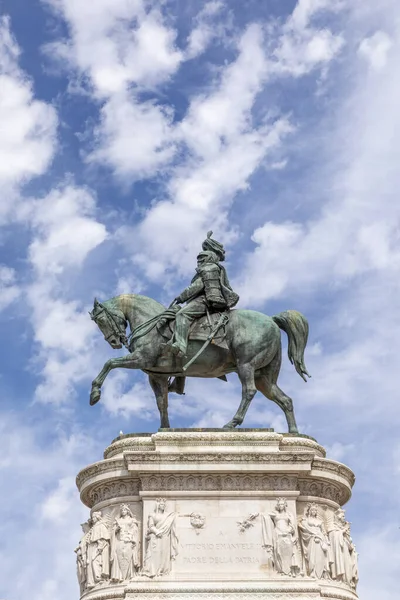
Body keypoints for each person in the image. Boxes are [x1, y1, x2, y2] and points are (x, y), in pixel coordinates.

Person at [170, 231, 239, 358]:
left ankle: (180, 345)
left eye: (201, 258)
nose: (199, 261)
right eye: (198, 259)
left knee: (182, 314)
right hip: (208, 300)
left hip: (204, 301)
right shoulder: (216, 268)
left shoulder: (208, 268)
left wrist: (181, 297)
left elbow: (197, 286)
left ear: (208, 258)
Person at [142, 498, 178, 577]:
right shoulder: (152, 515)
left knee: (164, 554)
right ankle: (153, 571)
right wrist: (157, 531)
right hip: (156, 537)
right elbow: (151, 526)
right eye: (161, 504)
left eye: (164, 505)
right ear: (158, 505)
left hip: (165, 537)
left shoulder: (169, 515)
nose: (163, 506)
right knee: (155, 554)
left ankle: (163, 571)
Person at [298, 503, 330, 579]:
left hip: (320, 539)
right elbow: (303, 527)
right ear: (309, 511)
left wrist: (327, 540)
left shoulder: (320, 521)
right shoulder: (306, 520)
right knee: (311, 556)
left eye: (315, 510)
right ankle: (312, 572)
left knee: (320, 556)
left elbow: (324, 532)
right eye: (312, 510)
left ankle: (320, 573)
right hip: (311, 539)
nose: (314, 511)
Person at [110, 504, 140, 582]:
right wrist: (116, 529)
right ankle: (119, 576)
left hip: (129, 541)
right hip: (120, 541)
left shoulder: (132, 520)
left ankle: (130, 575)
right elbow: (113, 532)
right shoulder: (118, 521)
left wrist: (132, 537)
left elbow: (135, 530)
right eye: (122, 510)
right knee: (119, 557)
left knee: (129, 557)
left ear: (128, 511)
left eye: (125, 510)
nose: (123, 511)